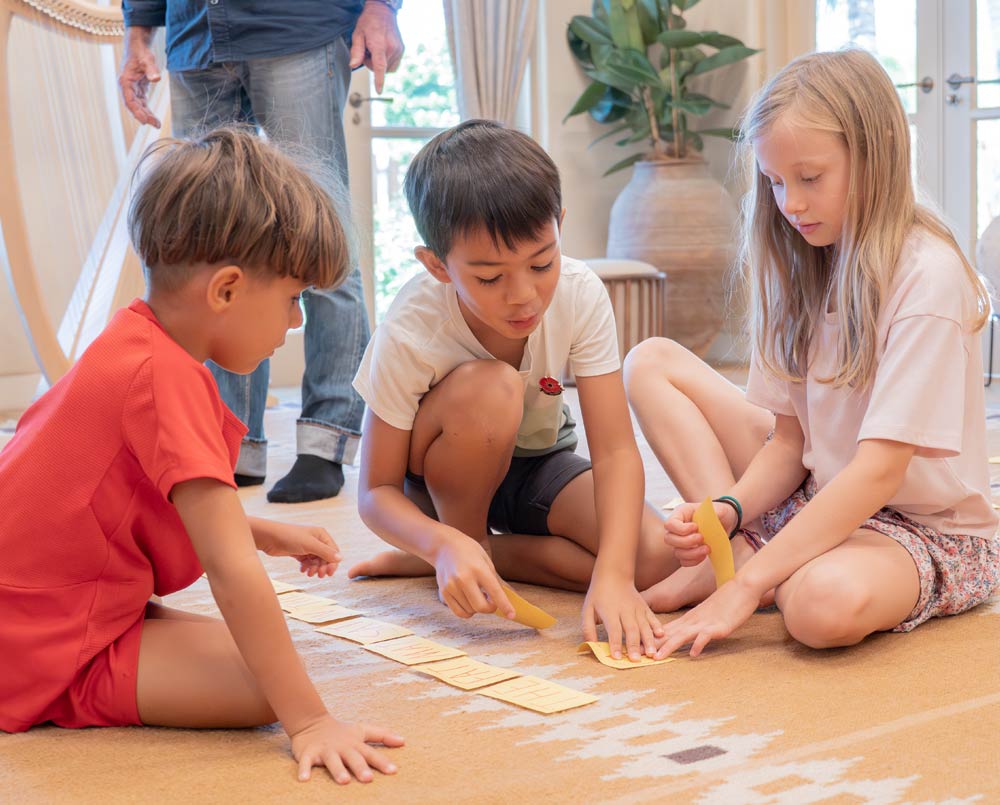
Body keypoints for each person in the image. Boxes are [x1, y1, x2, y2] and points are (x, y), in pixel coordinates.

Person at [0, 128, 403, 784]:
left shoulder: (136, 340)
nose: (295, 322)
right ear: (226, 290)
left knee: (256, 661)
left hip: (28, 598)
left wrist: (261, 531)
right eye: (293, 298)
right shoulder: (167, 379)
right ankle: (65, 682)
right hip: (31, 631)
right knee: (260, 689)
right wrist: (310, 721)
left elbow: (132, 502)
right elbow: (229, 570)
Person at [623, 50, 1000, 659]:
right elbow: (789, 444)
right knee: (650, 362)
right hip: (818, 489)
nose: (790, 203)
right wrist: (730, 507)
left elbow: (879, 471)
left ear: (875, 154)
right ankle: (740, 548)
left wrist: (748, 587)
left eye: (809, 178)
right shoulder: (796, 260)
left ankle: (759, 563)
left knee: (819, 607)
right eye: (774, 182)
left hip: (924, 526)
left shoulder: (926, 277)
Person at [346, 120, 684, 661]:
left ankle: (480, 556)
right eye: (489, 278)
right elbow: (375, 491)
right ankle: (460, 545)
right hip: (440, 482)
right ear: (436, 265)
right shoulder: (411, 326)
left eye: (542, 263)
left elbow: (616, 452)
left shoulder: (580, 293)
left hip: (536, 464)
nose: (524, 295)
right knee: (494, 388)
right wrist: (441, 539)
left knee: (658, 561)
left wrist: (616, 575)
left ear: (560, 227)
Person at [118, 0, 405, 502]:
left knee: (322, 233)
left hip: (295, 25)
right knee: (207, 248)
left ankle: (326, 441)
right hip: (195, 36)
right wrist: (138, 31)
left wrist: (382, 7)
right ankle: (234, 445)